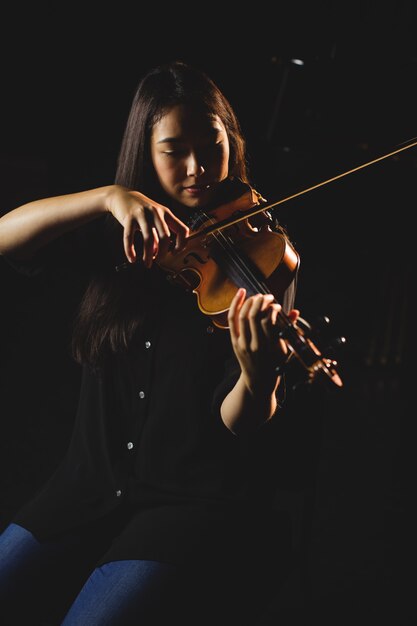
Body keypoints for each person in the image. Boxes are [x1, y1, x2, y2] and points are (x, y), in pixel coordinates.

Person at [0, 60, 304, 626]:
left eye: (211, 146)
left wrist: (258, 378)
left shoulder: (264, 254)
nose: (196, 168)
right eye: (173, 150)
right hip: (84, 488)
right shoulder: (118, 232)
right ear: (146, 149)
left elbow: (238, 422)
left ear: (231, 143)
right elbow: (4, 238)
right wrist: (106, 197)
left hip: (188, 505)